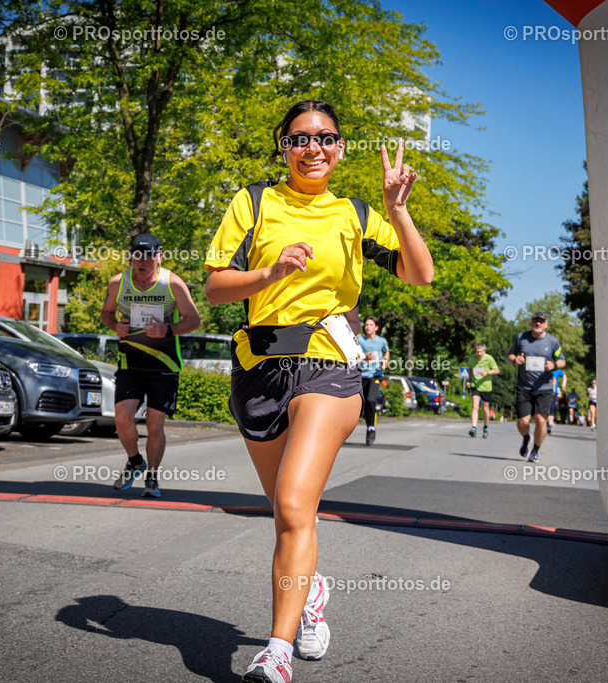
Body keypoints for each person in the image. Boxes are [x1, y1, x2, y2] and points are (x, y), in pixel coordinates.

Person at [204, 99, 433, 683]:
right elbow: (215, 288)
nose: (314, 148)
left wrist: (396, 212)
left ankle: (275, 654)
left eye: (326, 138)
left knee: (293, 505)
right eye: (300, 138)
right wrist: (270, 274)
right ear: (283, 146)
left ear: (340, 148)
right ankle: (310, 592)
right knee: (285, 516)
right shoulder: (253, 202)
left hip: (327, 367)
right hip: (258, 369)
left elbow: (420, 274)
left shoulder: (354, 213)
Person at [101, 233, 201, 497]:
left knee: (155, 425)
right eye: (136, 256)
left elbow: (194, 320)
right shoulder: (118, 283)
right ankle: (135, 461)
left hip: (164, 364)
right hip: (130, 362)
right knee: (122, 419)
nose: (141, 263)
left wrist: (168, 329)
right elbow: (106, 314)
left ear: (159, 257)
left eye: (147, 257)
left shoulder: (173, 284)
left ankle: (153, 477)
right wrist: (115, 326)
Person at [508, 312, 565, 462]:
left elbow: (562, 361)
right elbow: (510, 355)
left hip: (544, 387)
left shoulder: (552, 341)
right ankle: (527, 438)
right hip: (524, 386)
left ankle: (535, 450)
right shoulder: (522, 338)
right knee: (523, 422)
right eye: (536, 321)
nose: (538, 324)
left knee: (541, 420)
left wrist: (553, 365)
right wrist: (516, 360)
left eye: (541, 321)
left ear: (546, 324)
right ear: (532, 323)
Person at [356, 316, 389, 446]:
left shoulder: (381, 341)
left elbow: (386, 352)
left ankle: (371, 429)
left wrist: (385, 361)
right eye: (366, 324)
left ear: (376, 327)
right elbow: (355, 355)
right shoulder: (360, 341)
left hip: (375, 375)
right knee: (362, 404)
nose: (367, 327)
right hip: (362, 375)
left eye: (370, 324)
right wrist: (366, 357)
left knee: (370, 400)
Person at [467, 343, 499, 438]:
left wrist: (487, 372)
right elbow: (470, 370)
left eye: (481, 352)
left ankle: (485, 427)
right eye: (477, 352)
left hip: (486, 387)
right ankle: (473, 428)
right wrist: (469, 380)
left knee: (485, 408)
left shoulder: (489, 358)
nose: (479, 354)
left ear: (484, 351)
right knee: (475, 406)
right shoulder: (472, 358)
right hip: (475, 385)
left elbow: (497, 370)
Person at [548, 367, 565, 434]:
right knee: (547, 409)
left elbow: (563, 377)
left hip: (553, 392)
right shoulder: (544, 368)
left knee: (552, 408)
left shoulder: (557, 371)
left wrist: (563, 385)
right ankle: (547, 423)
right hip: (545, 391)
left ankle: (549, 425)